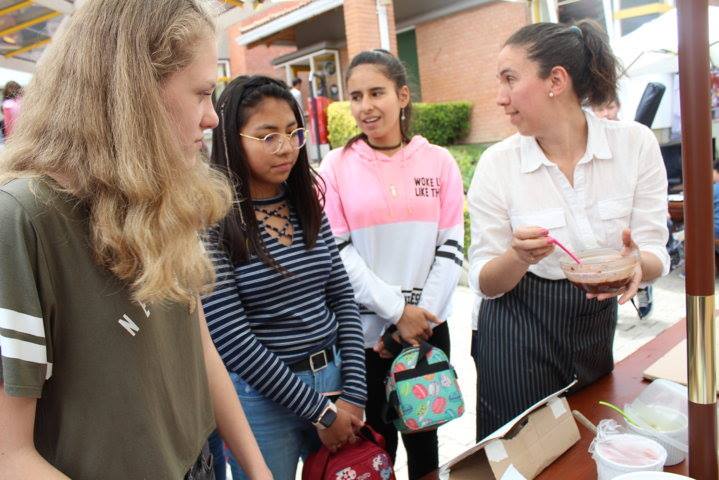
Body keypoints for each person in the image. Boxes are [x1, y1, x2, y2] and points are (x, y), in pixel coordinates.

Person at [0, 1, 272, 479]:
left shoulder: (162, 194)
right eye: (202, 93)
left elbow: (199, 347)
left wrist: (258, 468)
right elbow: (9, 454)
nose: (212, 117)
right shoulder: (22, 219)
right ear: (136, 92)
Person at [468, 21, 669, 440]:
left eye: (510, 79)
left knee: (588, 441)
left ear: (556, 81)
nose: (500, 97)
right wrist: (517, 257)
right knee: (520, 451)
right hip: (517, 328)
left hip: (594, 323)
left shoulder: (634, 145)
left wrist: (635, 266)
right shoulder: (498, 164)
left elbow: (655, 250)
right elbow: (485, 280)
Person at [202, 75, 366, 480]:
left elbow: (343, 298)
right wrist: (320, 412)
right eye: (268, 136)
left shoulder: (305, 203)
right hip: (261, 399)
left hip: (334, 379)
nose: (287, 147)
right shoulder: (214, 220)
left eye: (293, 133)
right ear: (232, 139)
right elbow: (231, 338)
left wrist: (354, 394)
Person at [320, 49, 465, 480]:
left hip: (427, 331)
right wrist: (397, 312)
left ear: (402, 96)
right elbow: (340, 253)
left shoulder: (439, 162)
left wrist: (415, 322)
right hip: (364, 340)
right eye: (356, 96)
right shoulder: (335, 166)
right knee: (375, 449)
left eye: (376, 93)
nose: (365, 106)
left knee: (425, 446)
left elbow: (450, 247)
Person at [593, 96, 653, 318]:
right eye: (599, 108)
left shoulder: (633, 138)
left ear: (618, 107)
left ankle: (644, 289)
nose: (605, 113)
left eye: (609, 106)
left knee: (639, 252)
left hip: (630, 219)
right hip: (610, 224)